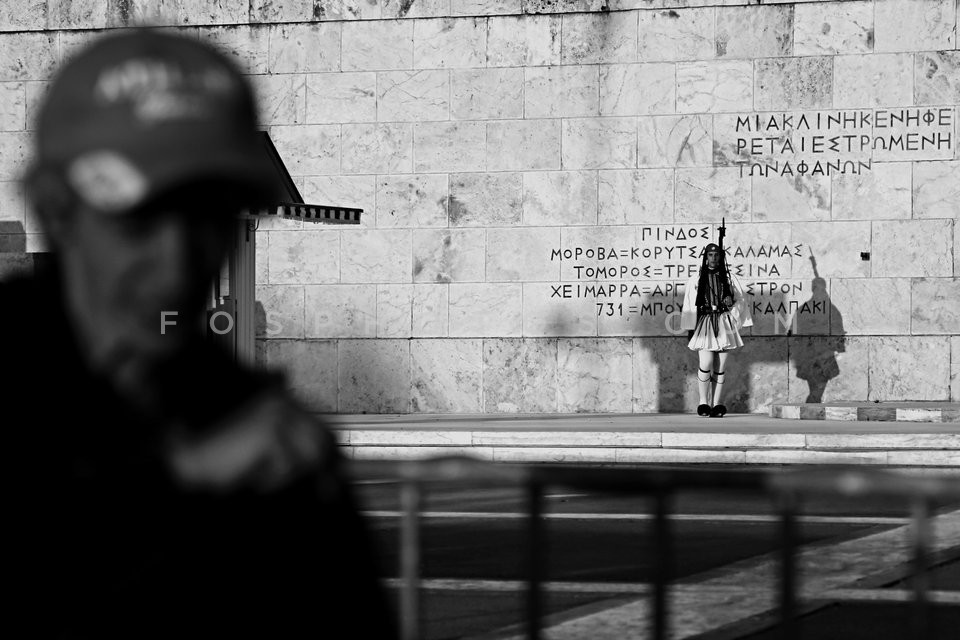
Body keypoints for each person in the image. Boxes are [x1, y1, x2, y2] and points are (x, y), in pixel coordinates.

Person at [5, 30, 396, 638]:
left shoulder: (260, 426)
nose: (179, 259)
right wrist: (174, 491)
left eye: (209, 213)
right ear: (54, 207)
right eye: (140, 216)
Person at [680, 237, 752, 417]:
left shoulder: (729, 278)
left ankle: (716, 404)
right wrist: (690, 328)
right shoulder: (696, 279)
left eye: (716, 255)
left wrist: (730, 307)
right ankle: (703, 402)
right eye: (710, 255)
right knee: (706, 362)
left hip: (724, 322)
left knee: (720, 366)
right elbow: (689, 304)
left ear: (720, 257)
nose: (713, 258)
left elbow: (741, 301)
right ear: (705, 258)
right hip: (705, 321)